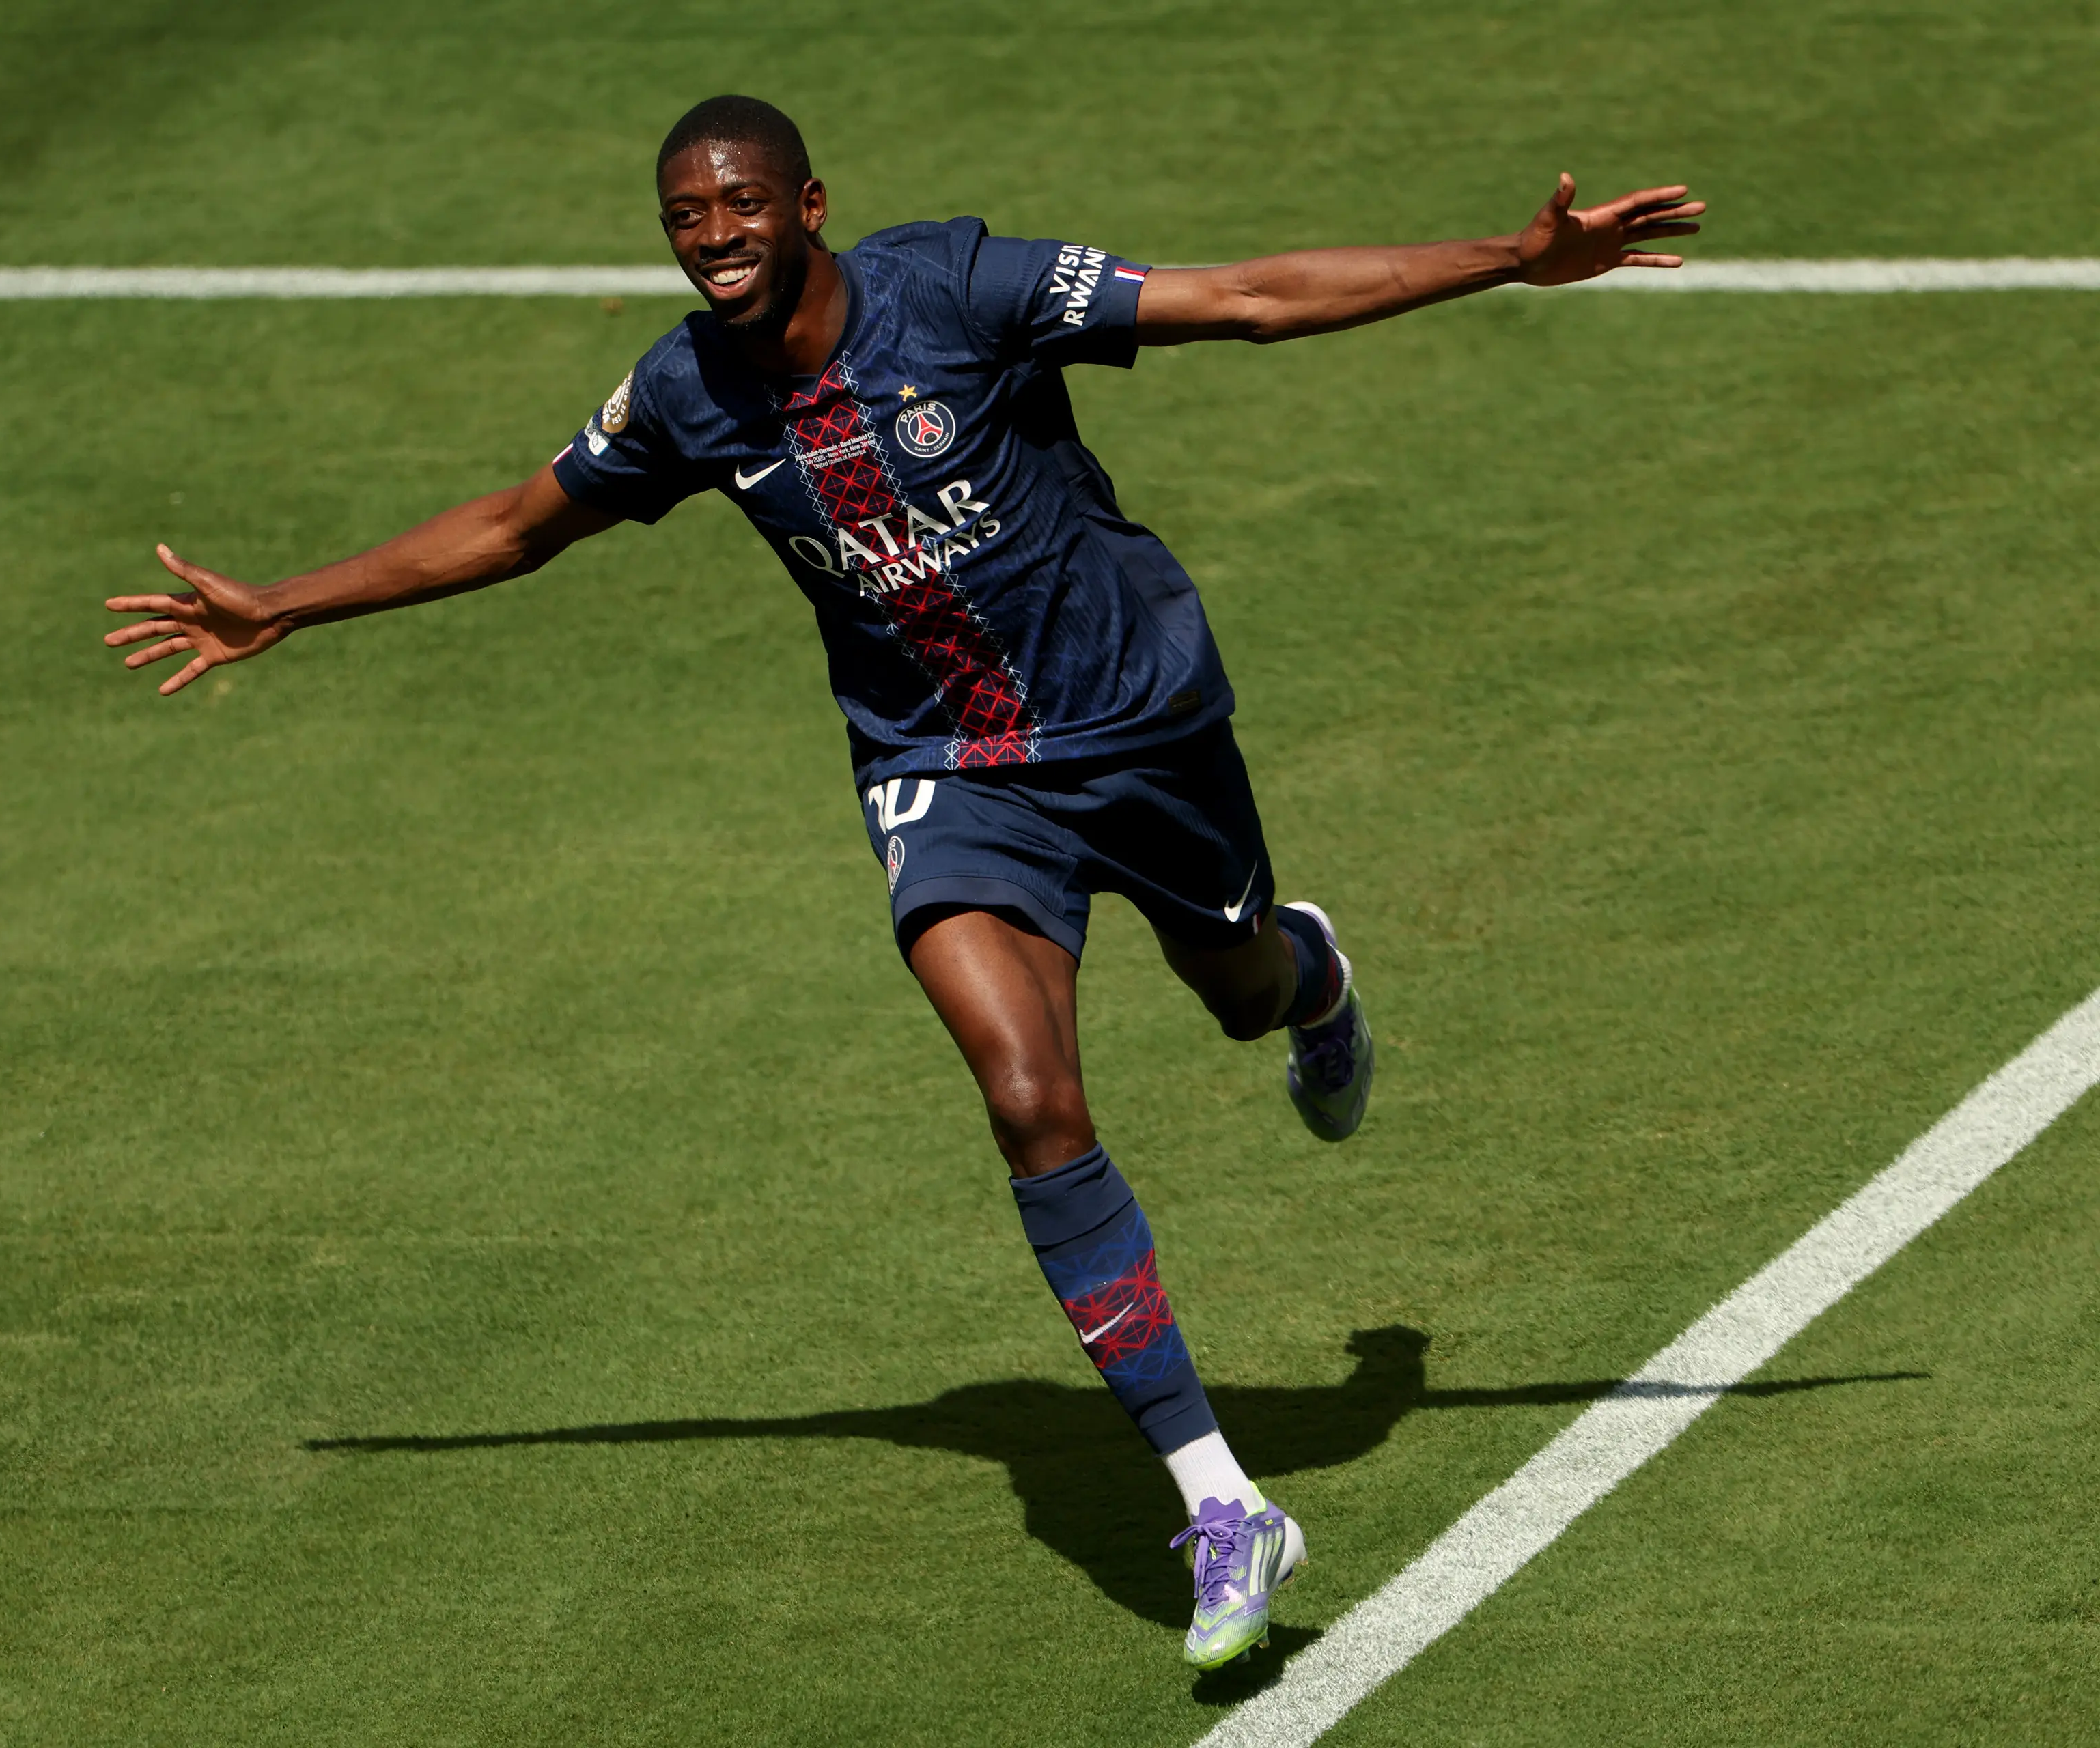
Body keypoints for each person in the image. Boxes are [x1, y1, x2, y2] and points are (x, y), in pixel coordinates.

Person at [102, 95, 1700, 1671]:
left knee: (1238, 993)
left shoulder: (962, 289)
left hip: (1138, 718)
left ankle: (1312, 973)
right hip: (943, 771)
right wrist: (288, 606)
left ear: (808, 203)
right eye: (683, 215)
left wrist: (1512, 255)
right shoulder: (687, 393)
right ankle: (1222, 1501)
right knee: (1025, 1094)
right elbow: (523, 525)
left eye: (739, 204)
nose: (713, 237)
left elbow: (1251, 300)